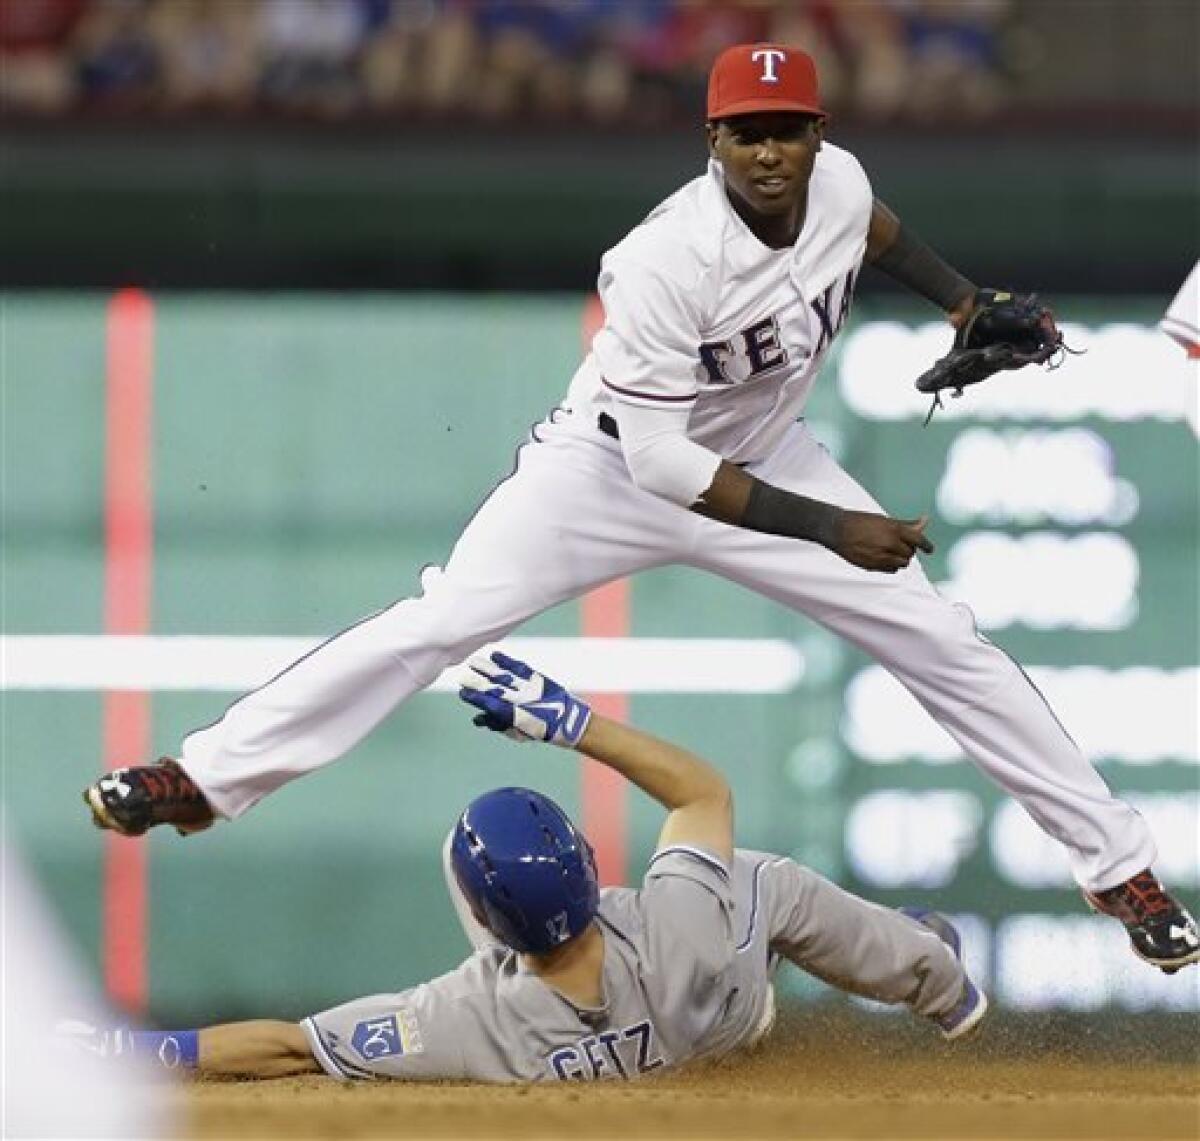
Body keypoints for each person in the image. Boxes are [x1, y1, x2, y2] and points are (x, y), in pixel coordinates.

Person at [84, 42, 1198, 974]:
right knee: (440, 620)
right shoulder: (665, 260)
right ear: (710, 144)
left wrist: (962, 302)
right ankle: (206, 777)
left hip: (766, 447)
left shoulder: (841, 183)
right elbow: (668, 470)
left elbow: (876, 230)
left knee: (943, 640)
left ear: (818, 132)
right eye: (746, 132)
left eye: (789, 127)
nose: (771, 150)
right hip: (612, 471)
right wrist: (834, 529)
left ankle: (1119, 869)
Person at [72, 650, 987, 1084]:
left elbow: (288, 1043)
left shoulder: (463, 1021)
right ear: (588, 867)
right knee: (766, 880)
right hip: (720, 1001)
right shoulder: (681, 923)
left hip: (599, 1052)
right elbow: (701, 792)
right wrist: (574, 723)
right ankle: (940, 980)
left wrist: (134, 1051)